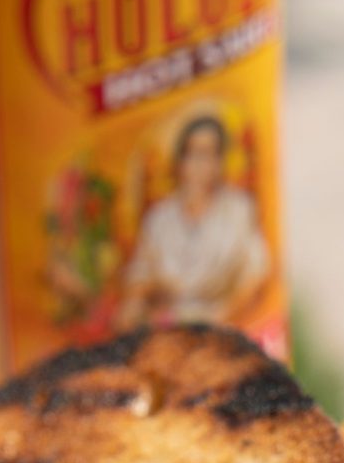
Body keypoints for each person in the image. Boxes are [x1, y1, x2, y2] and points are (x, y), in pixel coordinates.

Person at [116, 114, 271, 329]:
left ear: (220, 161)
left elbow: (256, 272)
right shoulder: (160, 218)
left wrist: (223, 315)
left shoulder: (238, 209)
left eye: (210, 155)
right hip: (168, 328)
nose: (202, 164)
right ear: (180, 161)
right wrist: (135, 302)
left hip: (226, 325)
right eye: (194, 154)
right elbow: (141, 270)